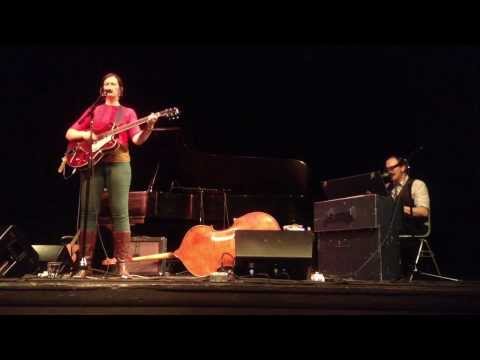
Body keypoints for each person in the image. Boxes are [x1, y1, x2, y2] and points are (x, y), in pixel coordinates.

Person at [65, 72, 159, 278]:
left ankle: (122, 265)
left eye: (113, 84)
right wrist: (86, 135)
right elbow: (70, 133)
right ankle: (85, 264)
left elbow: (137, 140)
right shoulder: (94, 110)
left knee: (120, 212)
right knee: (88, 212)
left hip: (119, 164)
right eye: (106, 83)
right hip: (93, 163)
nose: (109, 86)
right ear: (102, 89)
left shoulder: (128, 113)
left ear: (120, 90)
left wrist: (149, 127)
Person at [384, 155, 430, 278]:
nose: (389, 171)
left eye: (392, 168)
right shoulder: (387, 188)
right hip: (391, 232)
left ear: (403, 167)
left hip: (411, 230)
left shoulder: (416, 184)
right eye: (387, 169)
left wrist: (399, 209)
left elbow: (424, 212)